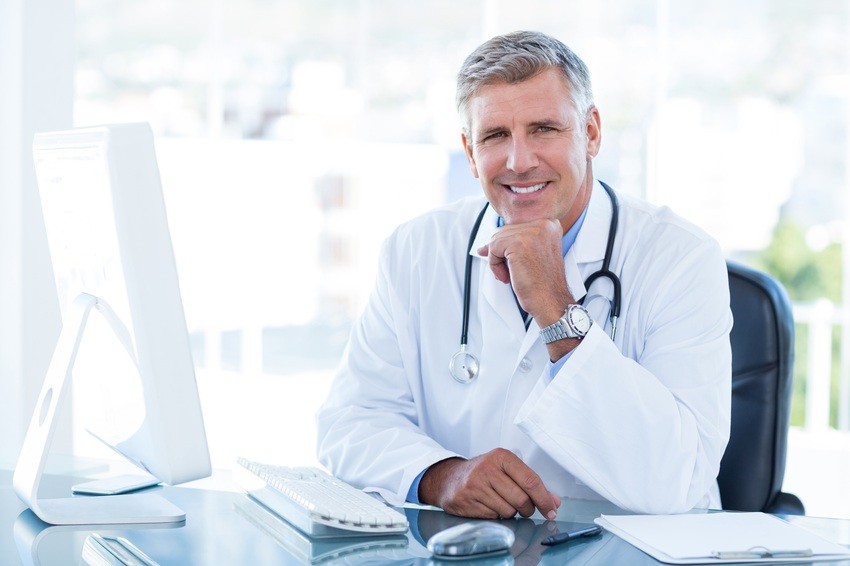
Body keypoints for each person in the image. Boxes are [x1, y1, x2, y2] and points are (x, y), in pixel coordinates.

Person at [316, 30, 732, 520]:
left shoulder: (680, 257)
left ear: (591, 132)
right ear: (470, 153)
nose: (519, 161)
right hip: (472, 548)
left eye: (544, 129)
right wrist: (441, 474)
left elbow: (676, 480)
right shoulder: (415, 251)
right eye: (495, 136)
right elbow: (349, 425)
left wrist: (556, 310)